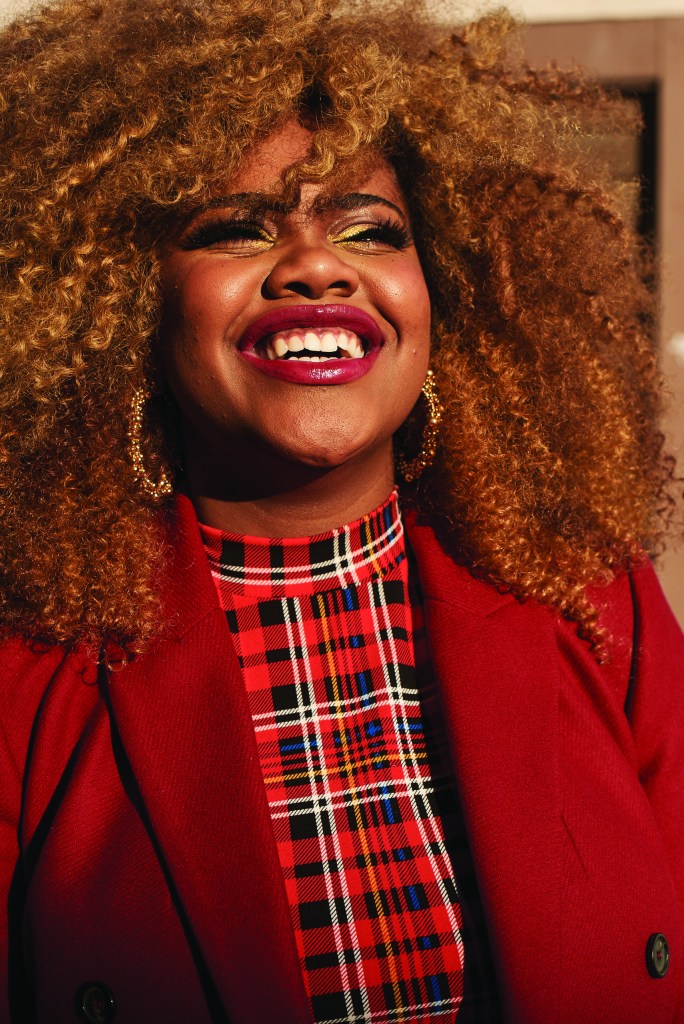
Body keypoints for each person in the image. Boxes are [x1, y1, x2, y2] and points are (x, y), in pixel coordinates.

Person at [0, 0, 682, 1021]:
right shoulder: (27, 668)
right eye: (234, 227)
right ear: (119, 304)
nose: (319, 265)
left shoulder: (590, 592)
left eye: (371, 228)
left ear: (441, 290)